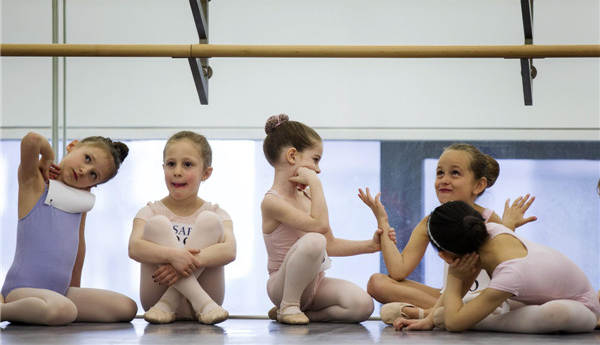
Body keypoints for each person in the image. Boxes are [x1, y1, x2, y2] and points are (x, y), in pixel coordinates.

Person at [360, 143, 536, 324]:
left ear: (478, 185)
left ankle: (428, 313)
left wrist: (508, 226)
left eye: (455, 173)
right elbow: (398, 271)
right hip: (449, 295)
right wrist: (383, 221)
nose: (444, 179)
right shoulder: (430, 222)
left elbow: (508, 266)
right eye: (440, 173)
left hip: (485, 295)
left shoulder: (489, 219)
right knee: (377, 283)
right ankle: (438, 313)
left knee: (505, 300)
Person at [261, 114, 392, 325]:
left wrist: (371, 246)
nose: (318, 170)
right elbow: (319, 228)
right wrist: (315, 182)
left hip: (315, 283)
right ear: (292, 156)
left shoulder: (308, 196)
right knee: (315, 240)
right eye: (315, 159)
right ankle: (288, 305)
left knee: (363, 305)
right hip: (282, 286)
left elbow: (329, 244)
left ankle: (306, 314)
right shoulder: (271, 202)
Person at [0, 132, 137, 325]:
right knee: (62, 309)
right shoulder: (35, 183)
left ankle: (59, 309)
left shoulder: (79, 202)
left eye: (93, 175)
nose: (84, 170)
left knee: (127, 307)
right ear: (72, 146)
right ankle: (3, 310)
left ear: (93, 185)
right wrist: (47, 157)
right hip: (20, 290)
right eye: (87, 158)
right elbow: (31, 140)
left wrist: (76, 290)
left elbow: (78, 245)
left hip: (60, 292)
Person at [412, 200, 599, 333]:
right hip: (532, 300)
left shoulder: (510, 273)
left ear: (445, 256)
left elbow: (453, 323)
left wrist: (454, 276)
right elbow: (463, 287)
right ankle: (446, 314)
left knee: (557, 313)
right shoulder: (490, 232)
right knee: (474, 298)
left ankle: (481, 322)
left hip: (583, 308)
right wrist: (430, 320)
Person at [128, 131, 236, 325]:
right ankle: (195, 302)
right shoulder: (150, 211)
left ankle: (171, 303)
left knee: (210, 220)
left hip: (208, 299)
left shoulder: (217, 212)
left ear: (206, 173)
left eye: (187, 164)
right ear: (163, 168)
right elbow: (134, 247)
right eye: (171, 164)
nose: (177, 171)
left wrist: (184, 261)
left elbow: (230, 250)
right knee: (157, 224)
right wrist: (172, 256)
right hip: (156, 301)